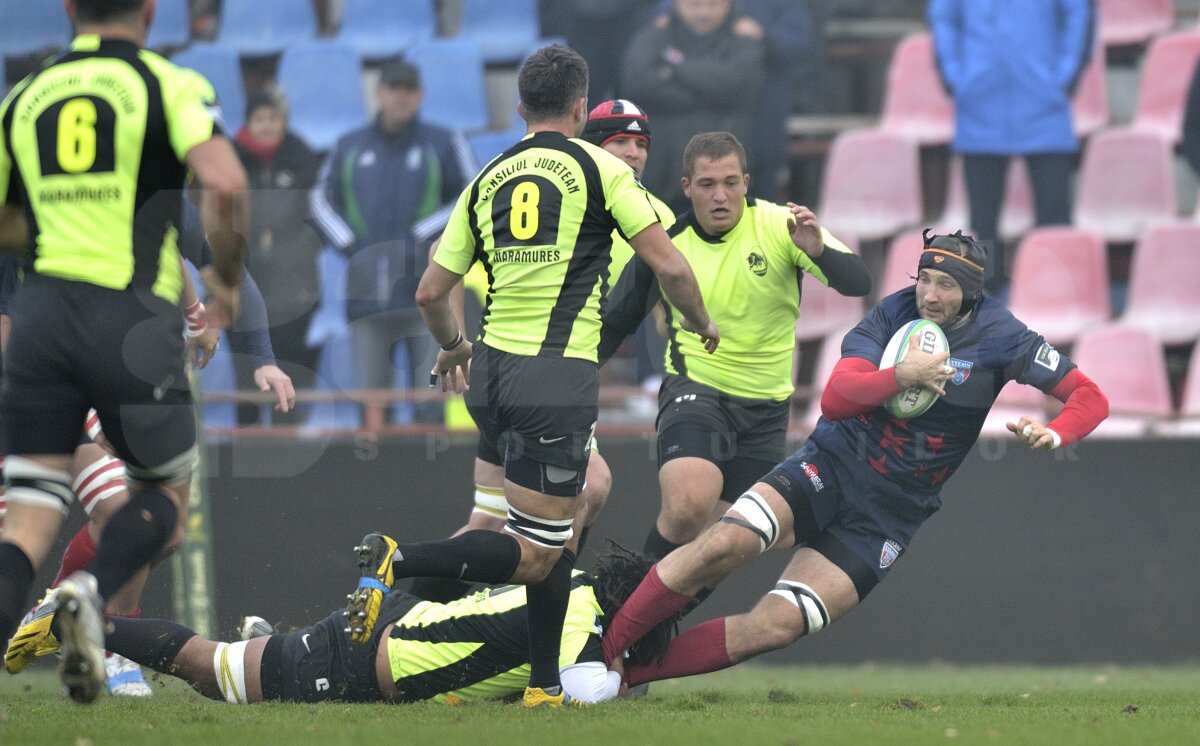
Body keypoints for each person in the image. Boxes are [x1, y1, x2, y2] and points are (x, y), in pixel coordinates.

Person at [600, 230, 1110, 687]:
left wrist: (1056, 433)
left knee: (778, 625)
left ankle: (626, 676)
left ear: (972, 294)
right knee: (724, 543)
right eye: (925, 279)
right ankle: (599, 648)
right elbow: (837, 398)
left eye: (946, 286)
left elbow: (1090, 397)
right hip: (832, 464)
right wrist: (903, 375)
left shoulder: (1005, 337)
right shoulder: (894, 310)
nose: (930, 295)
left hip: (891, 512)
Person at [394, 45, 716, 708]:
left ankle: (543, 683)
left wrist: (454, 346)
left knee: (569, 509)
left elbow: (431, 289)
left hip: (489, 378)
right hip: (553, 382)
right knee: (539, 550)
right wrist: (701, 321)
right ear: (579, 108)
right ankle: (397, 564)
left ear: (519, 109)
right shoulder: (599, 169)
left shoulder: (488, 172)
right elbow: (673, 268)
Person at [0, 0, 247, 704]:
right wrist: (223, 286)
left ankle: (56, 606)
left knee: (26, 516)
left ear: (70, 10)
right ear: (149, 10)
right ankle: (91, 595)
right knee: (164, 495)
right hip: (131, 319)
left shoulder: (24, 95)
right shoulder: (166, 83)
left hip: (40, 318)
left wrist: (51, 236)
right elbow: (226, 184)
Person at [407, 98, 672, 605]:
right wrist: (457, 343)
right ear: (591, 145)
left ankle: (394, 613)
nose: (634, 154)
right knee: (585, 493)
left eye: (642, 144)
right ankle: (528, 636)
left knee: (494, 521)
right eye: (620, 142)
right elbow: (441, 264)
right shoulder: (566, 200)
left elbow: (669, 287)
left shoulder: (650, 213)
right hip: (540, 377)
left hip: (529, 379)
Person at [600, 131, 870, 571]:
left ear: (747, 182)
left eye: (730, 182)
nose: (720, 196)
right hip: (697, 388)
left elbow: (858, 283)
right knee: (689, 504)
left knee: (722, 552)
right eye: (707, 185)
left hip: (766, 409)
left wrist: (819, 251)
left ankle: (645, 633)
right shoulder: (667, 244)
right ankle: (618, 606)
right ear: (687, 188)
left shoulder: (782, 225)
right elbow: (614, 324)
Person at [8, 539, 679, 705]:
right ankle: (76, 619)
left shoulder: (571, 588)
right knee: (209, 672)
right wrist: (626, 673)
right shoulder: (581, 634)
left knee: (228, 679)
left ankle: (266, 643)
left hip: (396, 632)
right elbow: (591, 688)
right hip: (363, 660)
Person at [310, 58, 475, 423]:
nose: (401, 97)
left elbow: (471, 195)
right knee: (372, 406)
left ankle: (430, 480)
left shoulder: (444, 142)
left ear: (421, 95)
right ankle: (372, 478)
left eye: (409, 90)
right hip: (367, 295)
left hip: (427, 296)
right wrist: (351, 244)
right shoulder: (349, 145)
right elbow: (319, 200)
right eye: (393, 89)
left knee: (430, 401)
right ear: (378, 93)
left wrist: (422, 235)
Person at [928, 0, 1093, 296]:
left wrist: (1062, 77)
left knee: (1054, 223)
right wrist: (957, 77)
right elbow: (944, 16)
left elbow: (1077, 12)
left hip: (1044, 104)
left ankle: (1055, 300)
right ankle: (988, 314)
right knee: (982, 229)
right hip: (980, 104)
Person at [621, 0, 765, 213]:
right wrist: (711, 90)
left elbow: (738, 84)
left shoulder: (744, 38)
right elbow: (636, 83)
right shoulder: (655, 35)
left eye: (712, 5)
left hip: (724, 169)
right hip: (663, 171)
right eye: (695, 4)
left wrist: (674, 69)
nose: (703, 12)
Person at [231, 89, 322, 425]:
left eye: (273, 118)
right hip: (242, 278)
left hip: (292, 284)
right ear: (248, 123)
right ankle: (248, 445)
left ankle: (289, 444)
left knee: (290, 366)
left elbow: (315, 222)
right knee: (246, 372)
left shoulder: (303, 159)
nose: (267, 126)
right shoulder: (230, 159)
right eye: (260, 119)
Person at [734, 1, 817, 201]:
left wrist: (763, 35)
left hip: (763, 116)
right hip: (698, 123)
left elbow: (801, 44)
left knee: (762, 200)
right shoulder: (677, 9)